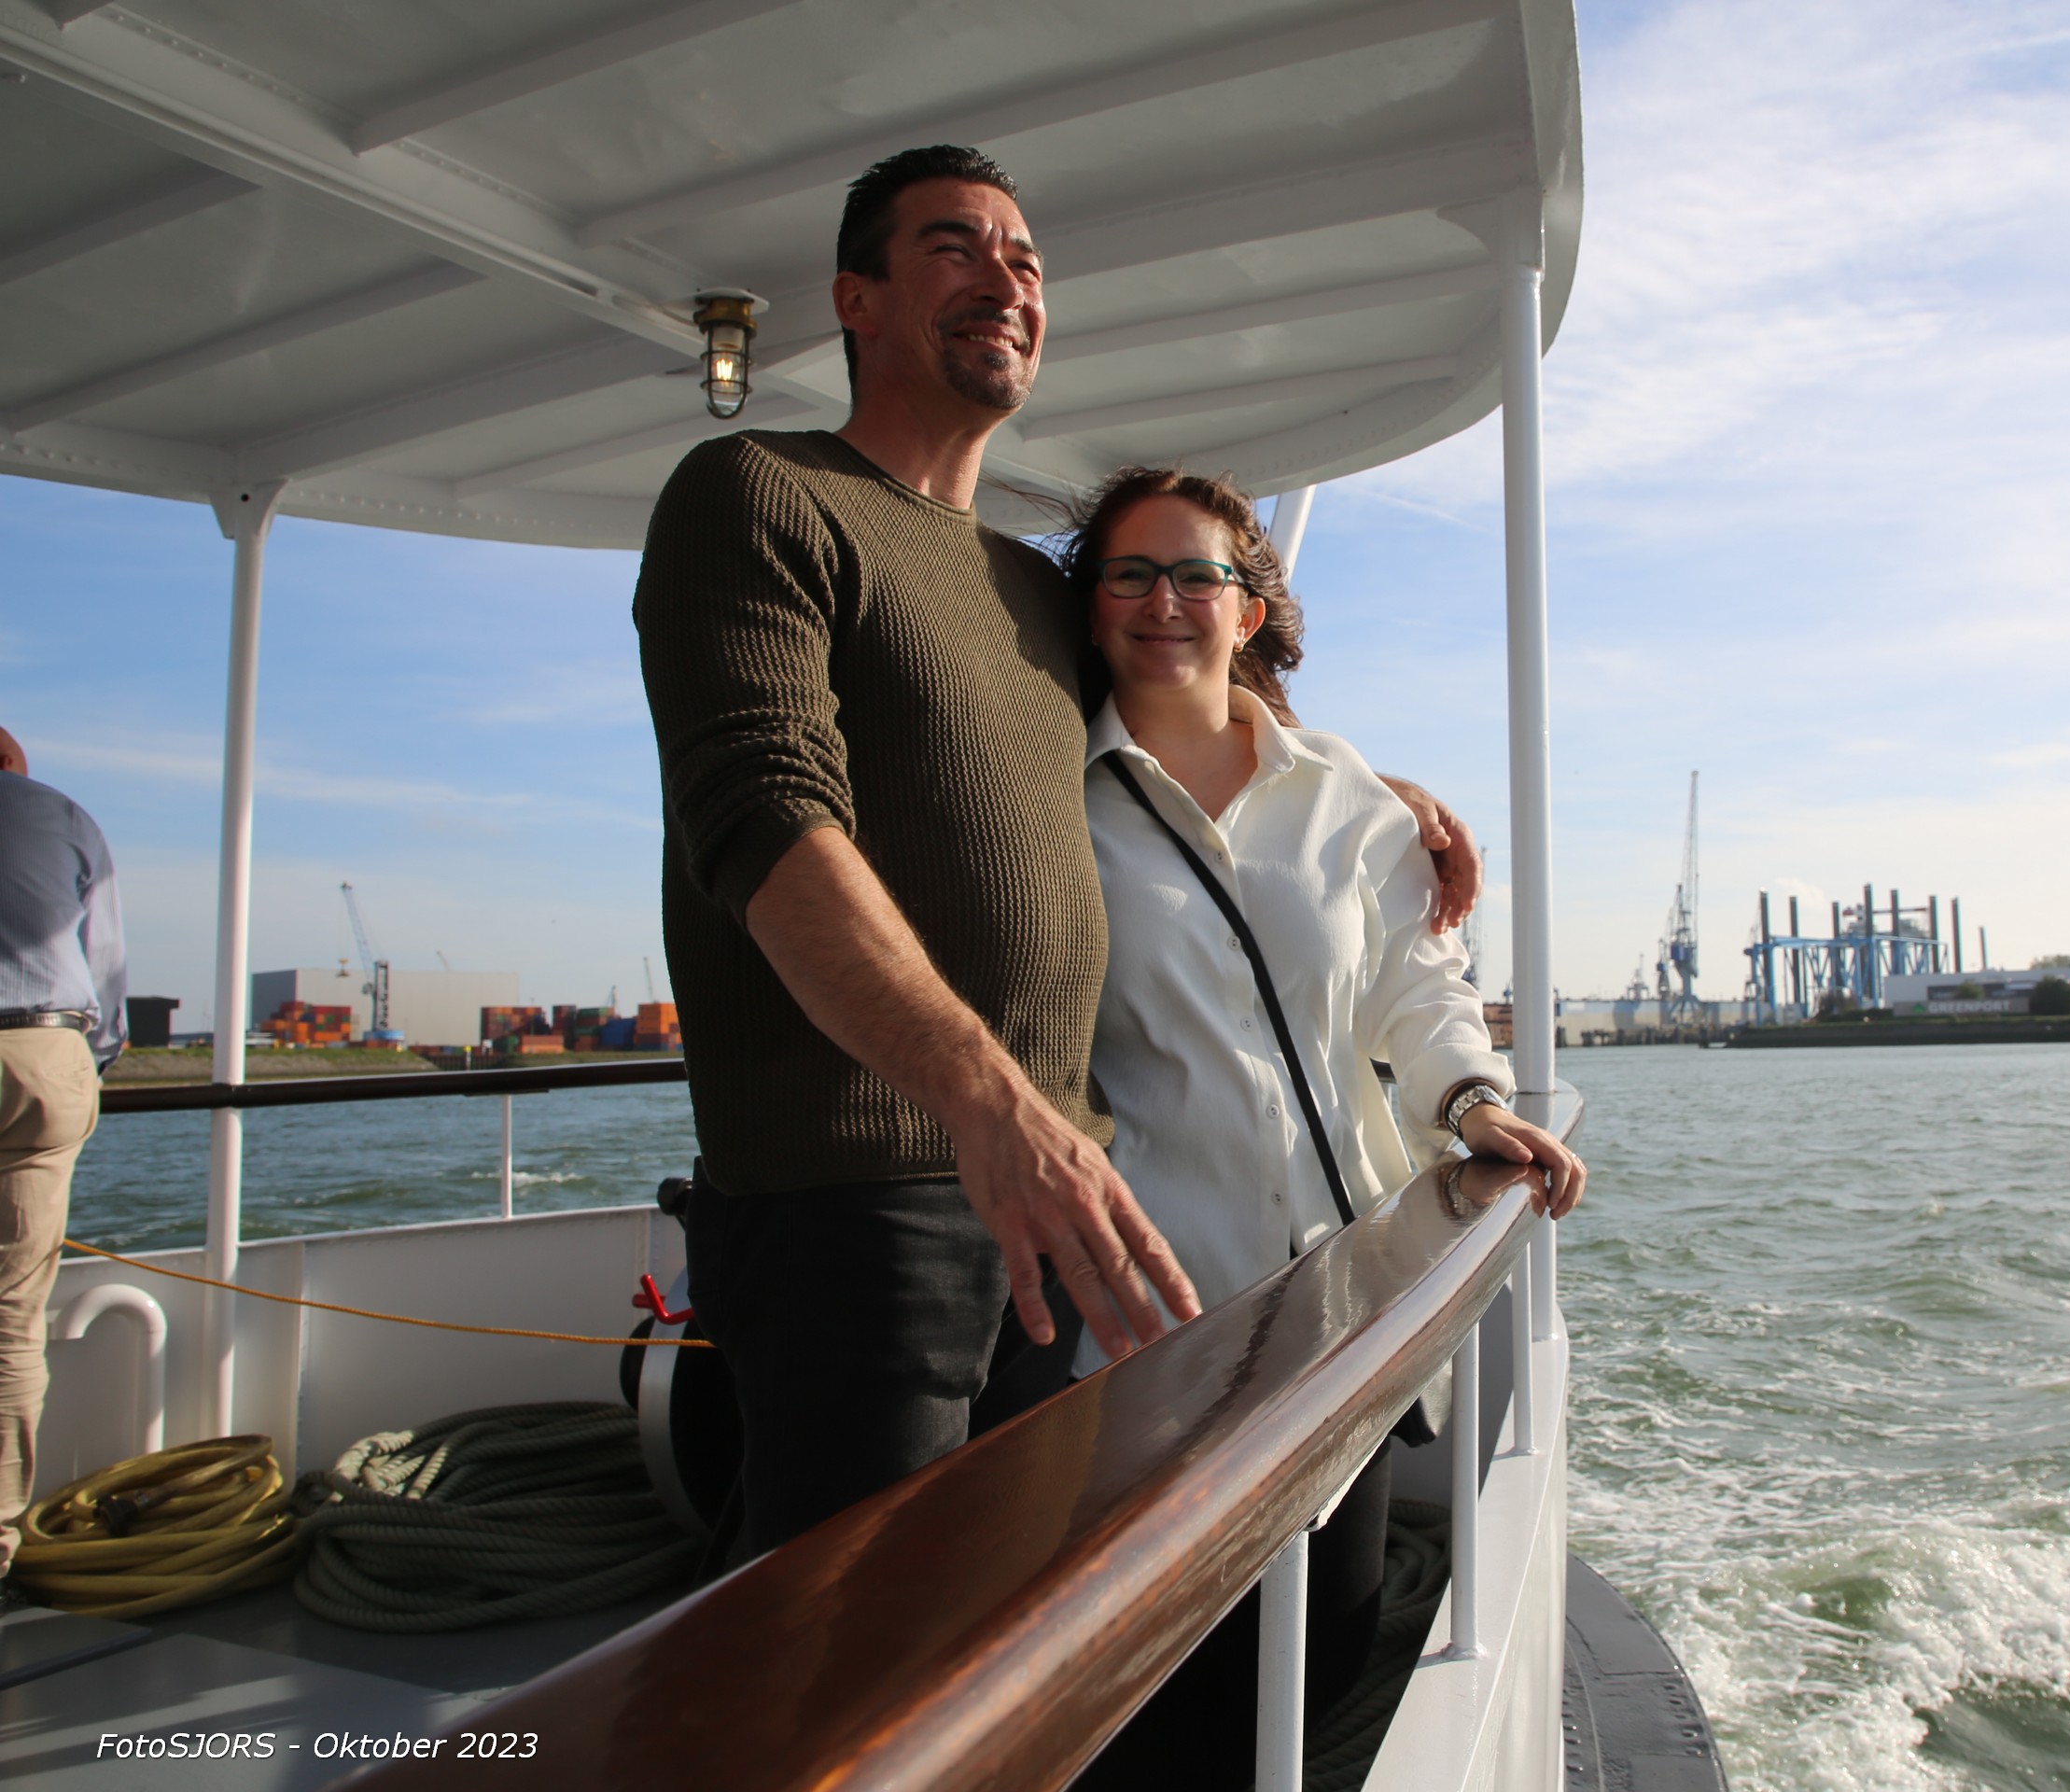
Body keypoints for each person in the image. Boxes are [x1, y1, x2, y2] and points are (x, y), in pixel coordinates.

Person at [632, 145, 1483, 1556]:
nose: (1006, 280)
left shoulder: (1027, 586)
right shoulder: (760, 493)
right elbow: (761, 814)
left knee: (1023, 1601)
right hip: (866, 1197)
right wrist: (990, 1106)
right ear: (854, 299)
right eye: (954, 247)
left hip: (1061, 1195)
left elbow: (1179, 718)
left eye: (1025, 260)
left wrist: (1367, 786)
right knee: (860, 1627)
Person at [1062, 470, 1583, 1784]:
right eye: (1132, 574)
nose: (1166, 602)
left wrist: (1471, 1102)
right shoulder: (1055, 799)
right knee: (1163, 1707)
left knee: (1323, 1665)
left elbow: (1420, 985)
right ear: (1092, 604)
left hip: (1344, 1320)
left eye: (1199, 576)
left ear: (1249, 610)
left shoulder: (1346, 794)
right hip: (1156, 1325)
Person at [0, 724, 125, 1600]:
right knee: (9, 1319)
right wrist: (93, 1063)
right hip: (42, 1055)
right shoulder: (63, 815)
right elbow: (108, 968)